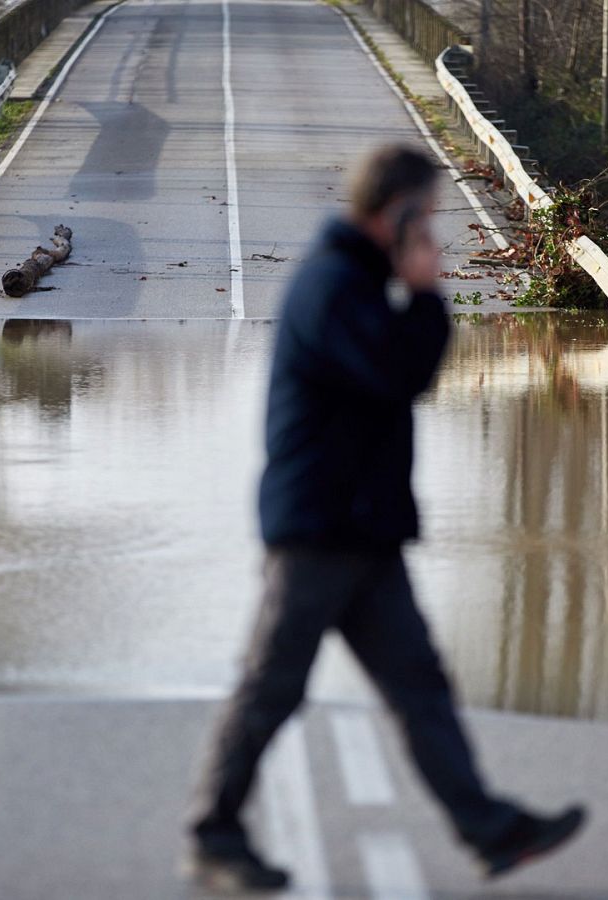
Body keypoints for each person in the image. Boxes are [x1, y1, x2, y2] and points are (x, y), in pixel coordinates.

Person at [185, 145, 585, 893]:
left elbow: (397, 379)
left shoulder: (359, 282)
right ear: (394, 212)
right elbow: (400, 375)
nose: (434, 230)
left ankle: (489, 829)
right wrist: (428, 294)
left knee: (418, 688)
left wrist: (416, 293)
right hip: (318, 532)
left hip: (360, 532)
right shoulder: (336, 285)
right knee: (271, 688)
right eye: (426, 215)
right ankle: (213, 834)